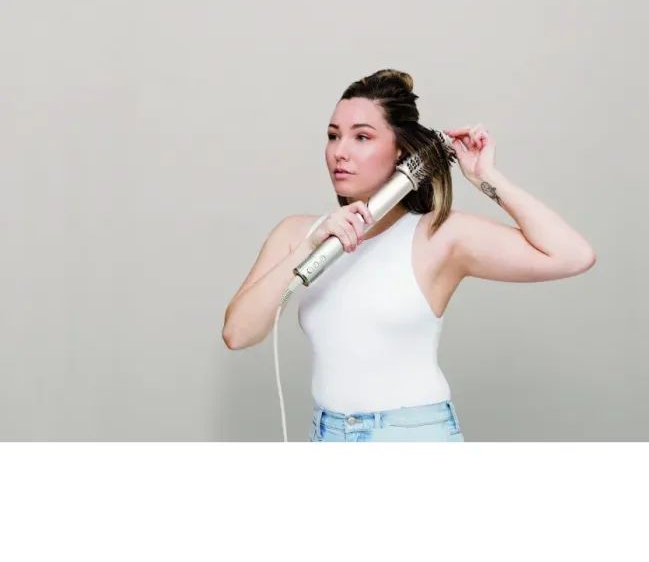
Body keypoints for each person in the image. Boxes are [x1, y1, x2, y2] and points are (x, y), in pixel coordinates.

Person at [222, 68, 597, 442]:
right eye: (333, 136)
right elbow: (238, 334)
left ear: (400, 150)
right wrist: (311, 246)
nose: (340, 152)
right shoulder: (295, 234)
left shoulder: (439, 236)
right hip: (327, 434)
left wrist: (486, 177)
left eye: (362, 137)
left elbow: (573, 255)